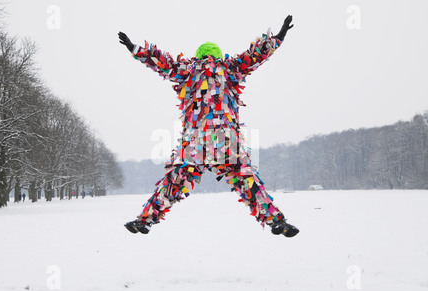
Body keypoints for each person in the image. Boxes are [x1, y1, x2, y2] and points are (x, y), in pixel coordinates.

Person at [119, 16, 299, 237]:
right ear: (216, 55)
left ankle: (145, 220)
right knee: (247, 180)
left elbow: (162, 63)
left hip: (196, 142)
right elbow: (255, 56)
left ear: (200, 55)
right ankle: (275, 221)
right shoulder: (231, 68)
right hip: (226, 141)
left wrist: (135, 48)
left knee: (175, 180)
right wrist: (278, 37)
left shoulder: (187, 70)